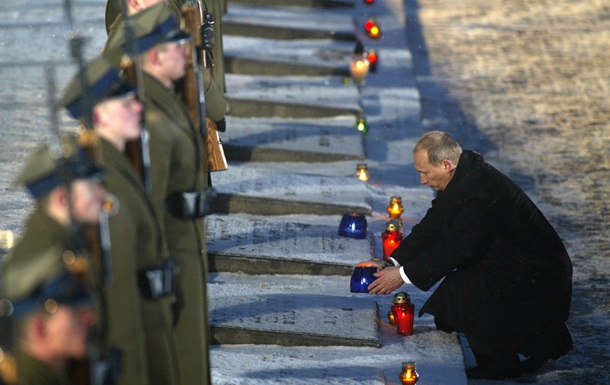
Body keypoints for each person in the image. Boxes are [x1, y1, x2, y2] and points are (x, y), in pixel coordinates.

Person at [367, 131, 573, 380]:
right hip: (514, 265)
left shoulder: (478, 191)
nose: (422, 180)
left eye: (425, 173)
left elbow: (455, 249)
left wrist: (401, 276)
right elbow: (434, 226)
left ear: (446, 164)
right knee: (449, 308)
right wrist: (392, 261)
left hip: (536, 274)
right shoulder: (463, 178)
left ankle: (500, 363)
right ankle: (540, 344)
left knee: (462, 296)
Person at [104, 6, 214, 384]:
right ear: (153, 55)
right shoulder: (149, 114)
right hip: (170, 253)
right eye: (176, 48)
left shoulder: (166, 98)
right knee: (180, 363)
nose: (185, 53)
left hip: (184, 249)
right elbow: (144, 208)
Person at [57, 54, 180, 385]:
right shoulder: (102, 185)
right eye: (126, 104)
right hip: (127, 339)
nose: (139, 108)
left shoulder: (118, 166)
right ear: (99, 115)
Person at [0, 140, 105, 384]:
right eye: (92, 187)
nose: (102, 193)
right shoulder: (47, 256)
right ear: (62, 199)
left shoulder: (67, 242)